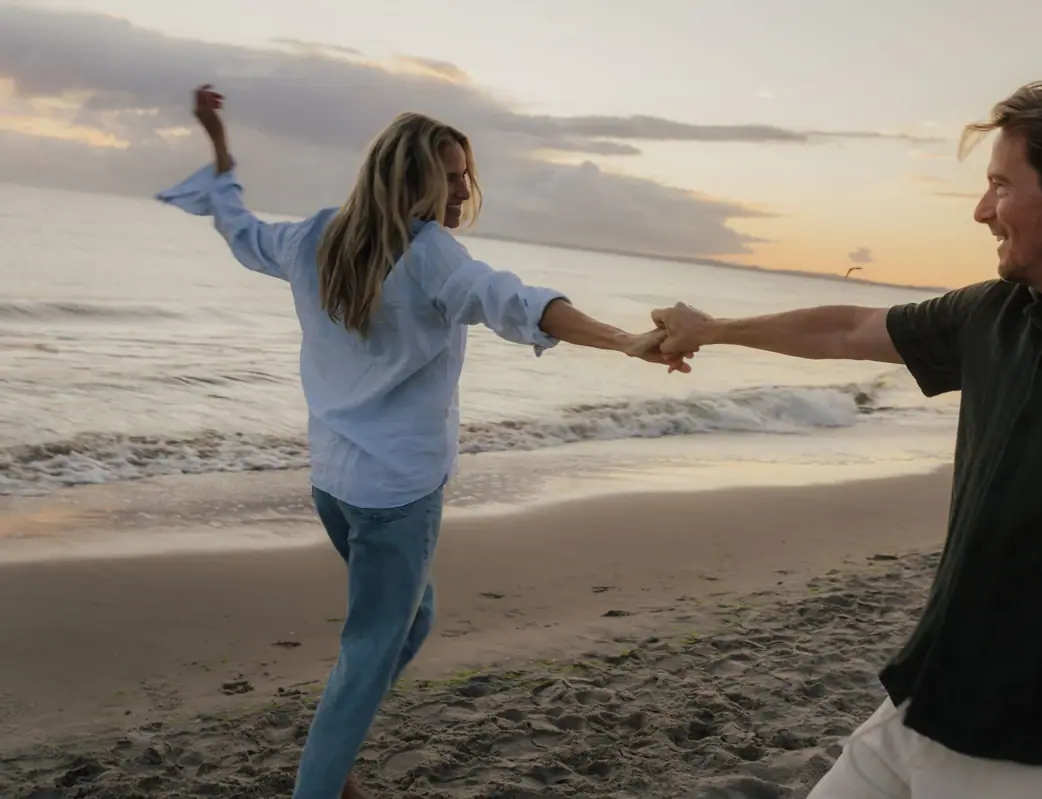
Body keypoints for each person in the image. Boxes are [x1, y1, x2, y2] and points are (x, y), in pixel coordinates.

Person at [652, 79, 1042, 798]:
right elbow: (847, 329)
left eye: (1000, 185)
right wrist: (714, 329)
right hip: (931, 697)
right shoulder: (997, 314)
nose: (981, 210)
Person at [156, 84, 691, 799]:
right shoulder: (432, 252)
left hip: (335, 485)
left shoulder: (316, 234)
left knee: (412, 617)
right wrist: (626, 339)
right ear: (413, 179)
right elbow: (516, 301)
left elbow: (241, 229)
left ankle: (336, 759)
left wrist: (220, 152)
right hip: (398, 494)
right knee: (367, 652)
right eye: (453, 174)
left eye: (467, 173)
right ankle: (323, 777)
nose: (465, 189)